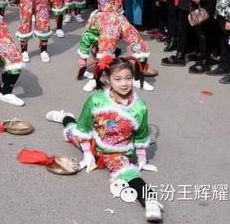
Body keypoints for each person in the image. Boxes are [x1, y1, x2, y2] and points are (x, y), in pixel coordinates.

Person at [45, 58, 163, 222]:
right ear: (108, 79)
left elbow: (141, 134)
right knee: (72, 131)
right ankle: (64, 117)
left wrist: (142, 158)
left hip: (115, 152)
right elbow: (84, 128)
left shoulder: (139, 107)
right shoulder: (96, 100)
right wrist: (87, 155)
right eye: (118, 79)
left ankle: (150, 201)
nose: (124, 83)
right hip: (94, 140)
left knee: (127, 173)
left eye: (128, 78)